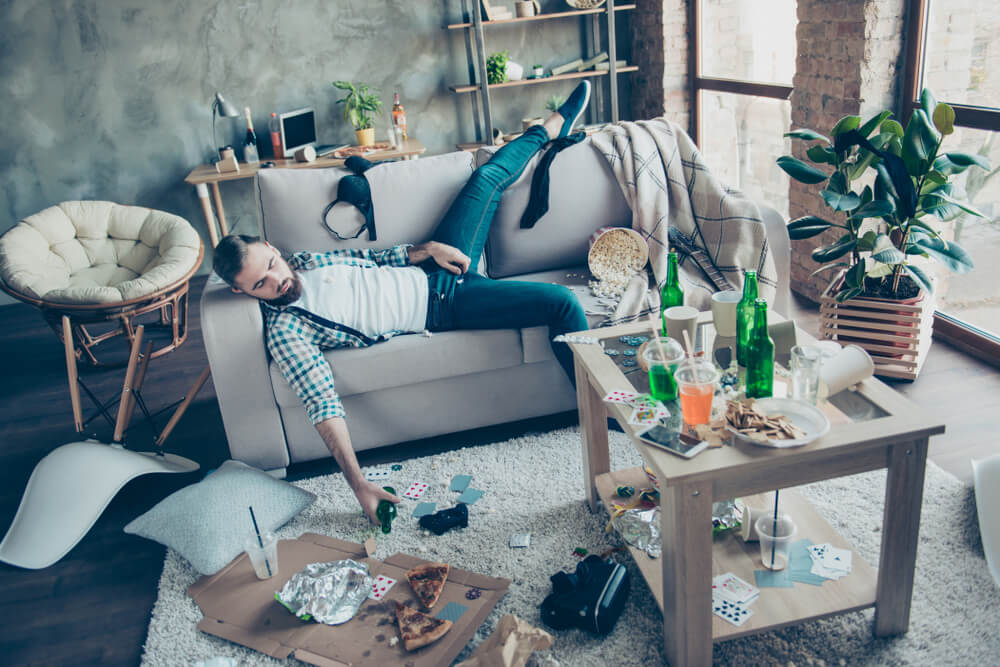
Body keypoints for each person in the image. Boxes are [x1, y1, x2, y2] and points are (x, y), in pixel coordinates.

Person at [212, 82, 593, 524]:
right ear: (242, 292)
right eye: (261, 284)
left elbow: (372, 260)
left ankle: (551, 127)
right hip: (445, 303)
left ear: (270, 247)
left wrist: (428, 249)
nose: (278, 281)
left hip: (432, 263)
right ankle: (600, 412)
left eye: (272, 264)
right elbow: (322, 402)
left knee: (485, 177)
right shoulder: (287, 329)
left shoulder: (304, 261)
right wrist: (358, 484)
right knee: (562, 302)